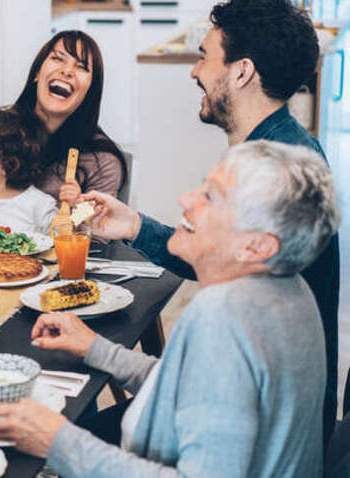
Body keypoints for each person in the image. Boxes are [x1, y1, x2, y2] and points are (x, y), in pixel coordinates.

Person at [0, 140, 340, 477]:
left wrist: (57, 442)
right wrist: (96, 349)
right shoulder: (291, 289)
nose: (185, 198)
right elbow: (193, 387)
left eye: (211, 197)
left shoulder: (223, 316)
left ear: (256, 247)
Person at [84, 0, 341, 443]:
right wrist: (134, 225)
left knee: (67, 434)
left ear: (241, 72)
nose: (193, 71)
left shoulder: (279, 169)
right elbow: (222, 255)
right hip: (256, 411)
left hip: (263, 433)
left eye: (204, 56)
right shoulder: (272, 147)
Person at [0, 30, 128, 229]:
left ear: (90, 90)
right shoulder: (4, 129)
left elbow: (95, 232)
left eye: (81, 67)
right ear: (37, 73)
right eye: (58, 59)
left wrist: (79, 208)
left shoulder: (102, 160)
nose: (67, 71)